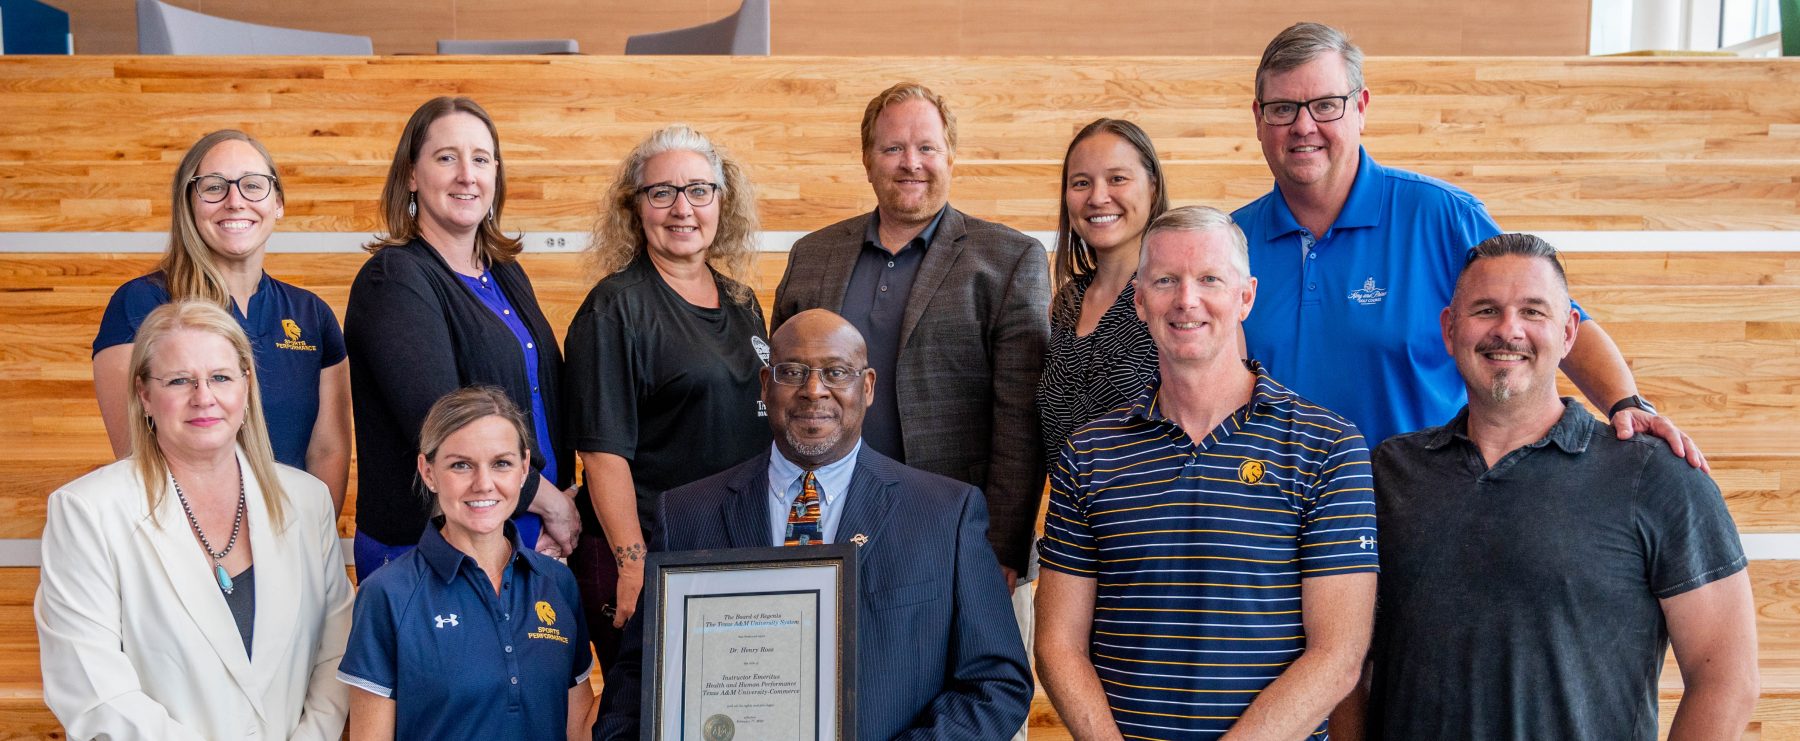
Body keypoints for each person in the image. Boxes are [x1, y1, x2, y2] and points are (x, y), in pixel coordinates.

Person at [1233, 22, 1706, 465]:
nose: (1303, 126)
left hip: (1422, 515)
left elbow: (1553, 321)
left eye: (1325, 104)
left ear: (1360, 109)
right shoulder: (1231, 241)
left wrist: (1627, 403)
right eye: (1282, 109)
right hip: (1278, 522)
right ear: (1258, 118)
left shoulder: (1442, 216)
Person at [1358, 234, 1757, 740]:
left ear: (1569, 332)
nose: (1509, 330)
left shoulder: (1654, 473)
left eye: (1533, 311)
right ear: (1449, 328)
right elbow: (1350, 659)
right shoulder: (1389, 472)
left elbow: (1728, 679)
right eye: (1486, 310)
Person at [596, 309, 1032, 740]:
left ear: (868, 387)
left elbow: (996, 682)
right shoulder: (687, 515)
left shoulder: (945, 513)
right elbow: (637, 680)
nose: (814, 390)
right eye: (792, 372)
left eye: (837, 372)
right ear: (766, 386)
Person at [1036, 207, 1378, 740]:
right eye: (1166, 280)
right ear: (1140, 301)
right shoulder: (1089, 454)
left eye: (1210, 279)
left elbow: (1338, 654)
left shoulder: (1329, 447)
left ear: (1246, 297)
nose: (1186, 299)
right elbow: (1058, 646)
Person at [771, 82, 1050, 588]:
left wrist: (1002, 548)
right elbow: (780, 395)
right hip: (824, 526)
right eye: (893, 148)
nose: (911, 163)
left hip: (952, 532)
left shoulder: (1009, 260)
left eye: (927, 147)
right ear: (867, 158)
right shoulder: (811, 255)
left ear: (951, 156)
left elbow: (1019, 421)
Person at [39, 300, 352, 739]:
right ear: (145, 395)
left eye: (221, 377)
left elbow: (334, 654)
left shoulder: (306, 500)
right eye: (179, 380)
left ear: (246, 388)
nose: (204, 397)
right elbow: (95, 694)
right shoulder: (87, 511)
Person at [561, 124, 773, 672]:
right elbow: (603, 455)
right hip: (655, 556)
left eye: (699, 190)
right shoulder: (616, 309)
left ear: (722, 202)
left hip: (732, 550)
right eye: (663, 192)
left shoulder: (742, 300)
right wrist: (634, 565)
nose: (683, 208)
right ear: (636, 209)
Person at [345, 96, 580, 580]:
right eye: (446, 157)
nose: (466, 175)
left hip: (521, 533)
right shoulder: (393, 279)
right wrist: (552, 505)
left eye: (480, 158)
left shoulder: (505, 273)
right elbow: (443, 423)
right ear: (411, 174)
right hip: (429, 551)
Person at [91, 130, 351, 511]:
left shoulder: (310, 314)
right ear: (188, 203)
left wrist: (310, 539)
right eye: (213, 187)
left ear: (277, 202)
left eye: (253, 186)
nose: (235, 201)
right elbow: (139, 457)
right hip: (187, 541)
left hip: (289, 537)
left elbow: (328, 449)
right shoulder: (142, 303)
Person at [339, 387, 593, 741]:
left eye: (501, 463)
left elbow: (579, 728)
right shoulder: (387, 594)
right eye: (461, 465)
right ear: (428, 472)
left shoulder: (557, 582)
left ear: (523, 469)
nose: (483, 484)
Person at [1037, 117, 1170, 459]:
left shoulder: (1182, 298)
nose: (1098, 197)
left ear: (1152, 187)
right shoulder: (1064, 306)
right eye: (1081, 183)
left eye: (1117, 179)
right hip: (1069, 511)